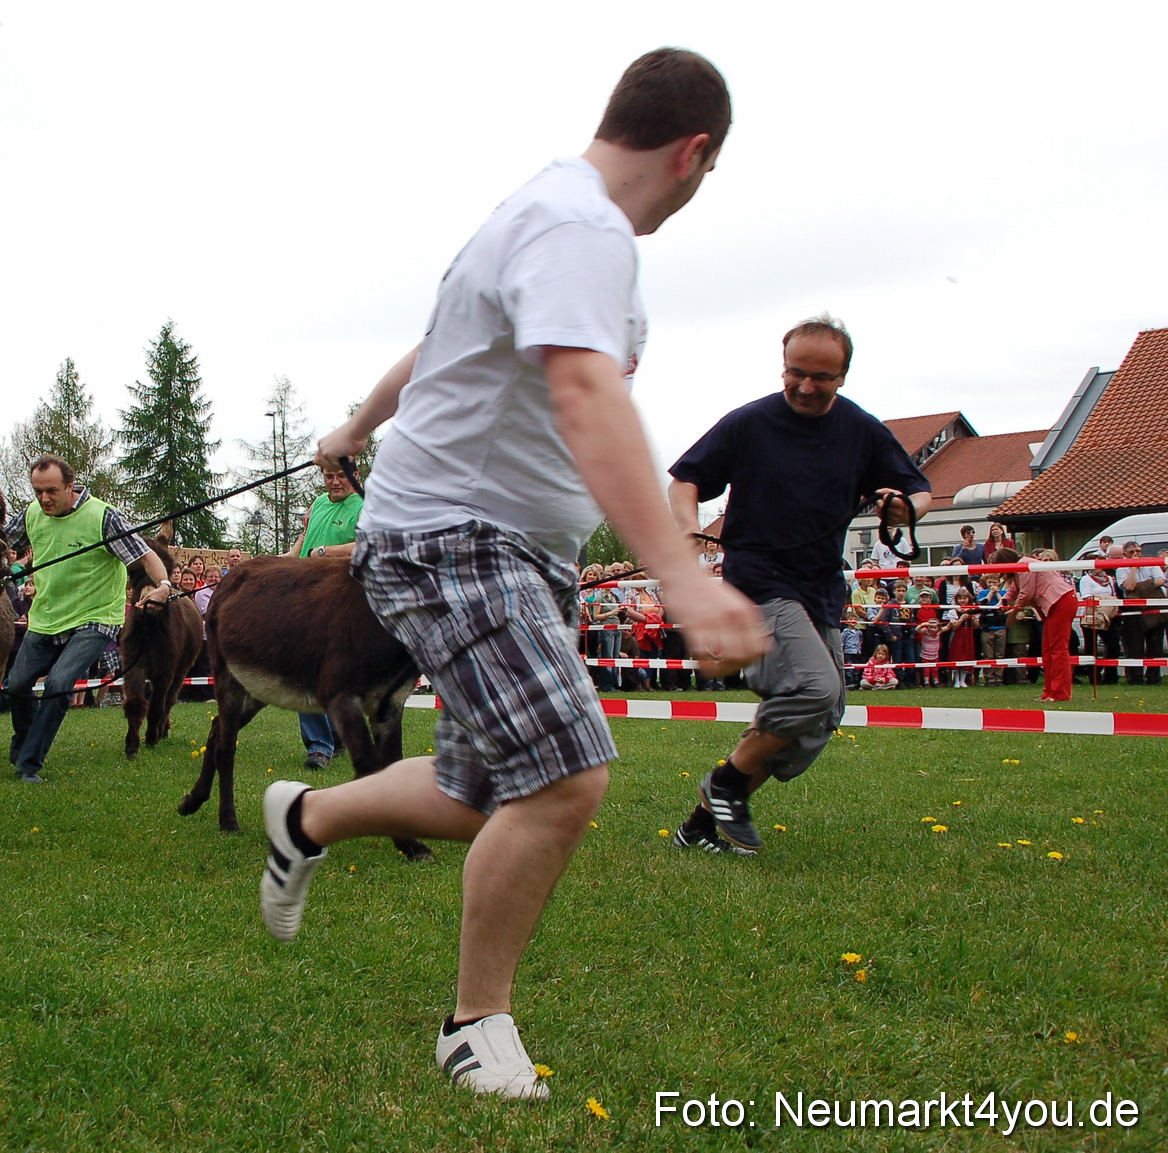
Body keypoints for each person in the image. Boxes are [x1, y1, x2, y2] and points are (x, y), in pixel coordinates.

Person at [265, 50, 765, 1100]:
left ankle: (303, 818)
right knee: (569, 774)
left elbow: (441, 347)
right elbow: (586, 395)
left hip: (522, 550)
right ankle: (472, 1024)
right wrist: (680, 574)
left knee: (479, 791)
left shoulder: (549, 220)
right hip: (455, 536)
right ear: (694, 153)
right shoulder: (578, 227)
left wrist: (357, 420)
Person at [666, 315, 932, 854]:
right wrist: (687, 527)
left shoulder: (862, 430)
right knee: (815, 690)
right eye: (796, 373)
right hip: (758, 583)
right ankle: (727, 787)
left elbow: (918, 490)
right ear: (782, 367)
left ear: (843, 377)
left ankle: (699, 825)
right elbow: (685, 478)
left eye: (821, 377)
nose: (806, 386)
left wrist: (904, 508)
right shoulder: (749, 423)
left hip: (820, 588)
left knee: (820, 715)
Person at [3, 454, 176, 782]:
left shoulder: (103, 517)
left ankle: (29, 764)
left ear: (70, 487)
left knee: (58, 683)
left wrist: (164, 585)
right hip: (47, 616)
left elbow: (147, 555)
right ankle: (25, 740)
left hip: (95, 617)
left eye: (51, 491)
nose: (44, 499)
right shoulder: (32, 514)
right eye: (37, 491)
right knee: (17, 684)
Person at [284, 460, 364, 769]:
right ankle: (319, 744)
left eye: (341, 476)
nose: (334, 482)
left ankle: (333, 733)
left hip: (343, 597)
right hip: (305, 595)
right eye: (328, 476)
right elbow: (307, 537)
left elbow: (367, 544)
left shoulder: (364, 505)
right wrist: (289, 557)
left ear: (355, 476)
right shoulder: (318, 502)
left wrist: (325, 553)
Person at [1000, 546, 1074, 701]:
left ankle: (1060, 693)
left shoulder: (1023, 565)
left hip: (1060, 601)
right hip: (1053, 604)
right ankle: (1049, 692)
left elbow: (1027, 593)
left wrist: (1012, 613)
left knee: (1058, 650)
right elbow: (1014, 590)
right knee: (1047, 651)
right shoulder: (1019, 569)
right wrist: (1000, 604)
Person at [1115, 540, 1165, 686]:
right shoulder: (1121, 569)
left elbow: (1161, 581)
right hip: (1134, 609)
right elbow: (1129, 586)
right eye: (1132, 552)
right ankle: (1135, 678)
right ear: (1125, 554)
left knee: (1155, 646)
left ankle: (1154, 678)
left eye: (1138, 551)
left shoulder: (1152, 563)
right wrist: (1134, 568)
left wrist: (1139, 588)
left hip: (1154, 607)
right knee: (1135, 646)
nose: (1136, 554)